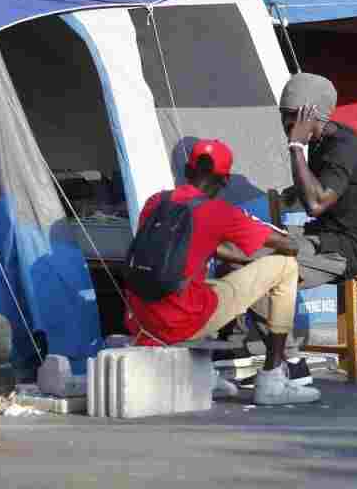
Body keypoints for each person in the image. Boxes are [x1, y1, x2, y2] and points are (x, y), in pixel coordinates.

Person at [125, 139, 321, 406]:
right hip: (180, 322)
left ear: (187, 170)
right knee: (285, 266)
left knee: (202, 282)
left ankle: (204, 374)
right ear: (225, 181)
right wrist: (251, 259)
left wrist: (236, 256)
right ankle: (273, 377)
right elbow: (288, 245)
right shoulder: (220, 211)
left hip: (142, 321)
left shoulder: (156, 201)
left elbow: (188, 248)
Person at [278, 72, 357, 290]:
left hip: (348, 248)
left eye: (294, 116)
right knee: (246, 248)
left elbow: (315, 205)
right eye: (284, 115)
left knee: (269, 268)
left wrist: (296, 146)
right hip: (322, 236)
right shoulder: (320, 142)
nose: (289, 124)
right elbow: (328, 186)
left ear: (314, 114)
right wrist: (295, 191)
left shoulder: (344, 147)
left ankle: (269, 325)